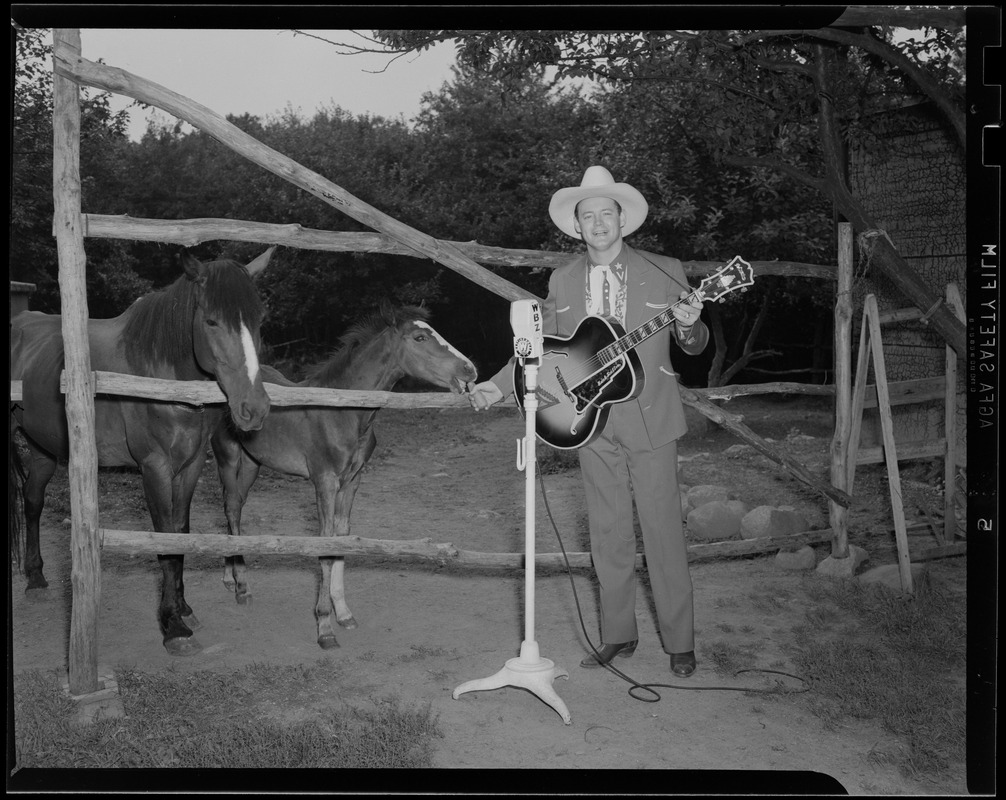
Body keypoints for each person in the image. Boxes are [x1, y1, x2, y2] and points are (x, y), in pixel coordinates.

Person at [469, 166, 709, 677]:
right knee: (608, 533)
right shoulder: (563, 278)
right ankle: (618, 634)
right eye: (588, 216)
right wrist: (497, 381)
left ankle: (680, 641)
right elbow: (546, 346)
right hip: (592, 417)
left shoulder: (665, 268)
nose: (598, 223)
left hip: (652, 418)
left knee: (663, 531)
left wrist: (690, 327)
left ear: (623, 219)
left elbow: (696, 344)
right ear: (576, 227)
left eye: (607, 213)